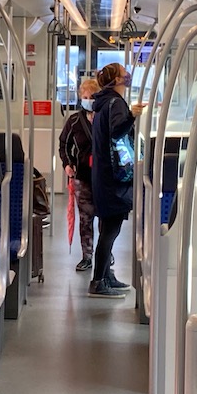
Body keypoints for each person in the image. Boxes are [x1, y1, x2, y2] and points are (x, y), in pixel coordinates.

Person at [88, 62, 146, 298]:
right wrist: (132, 115)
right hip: (114, 178)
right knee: (110, 230)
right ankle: (99, 281)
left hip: (103, 175)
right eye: (124, 73)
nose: (128, 76)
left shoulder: (104, 103)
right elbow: (117, 132)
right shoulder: (117, 104)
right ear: (117, 80)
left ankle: (106, 275)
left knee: (108, 229)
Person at [58, 76, 100, 272]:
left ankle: (105, 254)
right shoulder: (75, 121)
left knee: (106, 218)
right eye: (85, 96)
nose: (88, 99)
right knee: (85, 217)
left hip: (103, 177)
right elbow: (63, 144)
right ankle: (87, 255)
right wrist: (67, 164)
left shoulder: (106, 118)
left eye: (92, 96)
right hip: (82, 175)